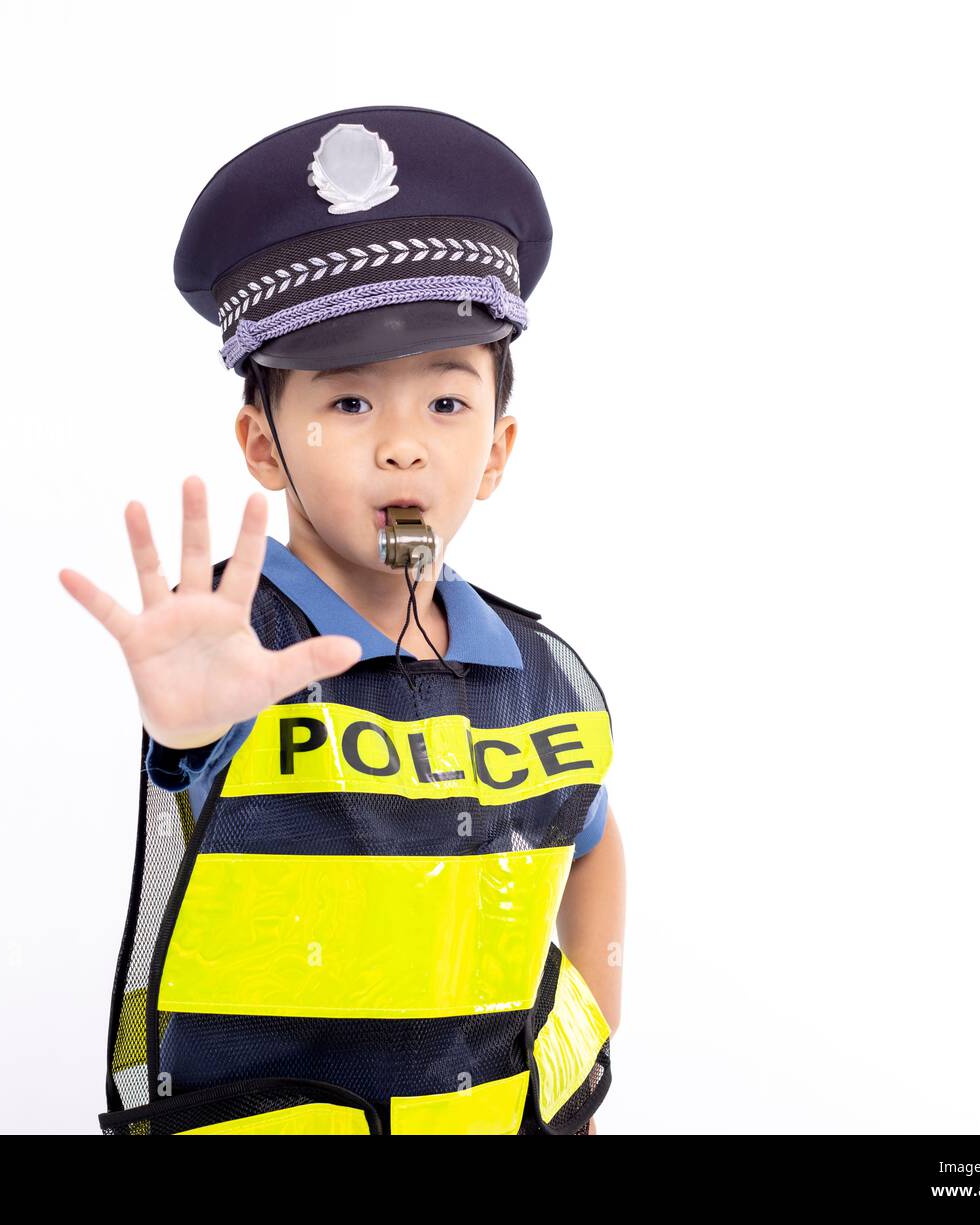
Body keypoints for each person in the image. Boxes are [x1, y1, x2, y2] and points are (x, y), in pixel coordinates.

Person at [60, 105, 626, 1135]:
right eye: (350, 404)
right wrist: (183, 741)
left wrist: (577, 1071)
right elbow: (180, 789)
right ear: (264, 445)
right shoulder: (230, 649)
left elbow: (589, 843)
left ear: (495, 453)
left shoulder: (549, 676)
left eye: (445, 404)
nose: (402, 446)